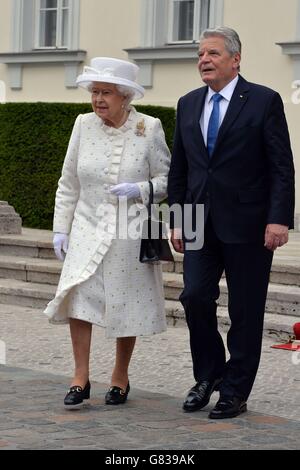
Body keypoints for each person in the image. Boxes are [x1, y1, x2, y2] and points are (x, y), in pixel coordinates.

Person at [168, 27, 295, 419]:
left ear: (236, 59)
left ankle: (235, 391)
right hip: (198, 222)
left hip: (249, 225)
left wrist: (278, 220)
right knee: (193, 296)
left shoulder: (263, 101)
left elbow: (281, 166)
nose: (204, 60)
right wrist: (177, 220)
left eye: (213, 54)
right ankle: (209, 375)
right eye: (200, 55)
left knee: (245, 309)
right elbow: (180, 169)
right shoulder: (188, 103)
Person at [44, 57, 171, 409]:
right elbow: (68, 182)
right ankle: (80, 378)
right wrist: (60, 229)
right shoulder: (83, 125)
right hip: (86, 226)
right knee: (79, 298)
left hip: (129, 231)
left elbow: (168, 180)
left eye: (106, 93)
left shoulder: (149, 127)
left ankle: (119, 377)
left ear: (125, 96)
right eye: (94, 92)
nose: (98, 99)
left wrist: (141, 188)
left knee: (124, 303)